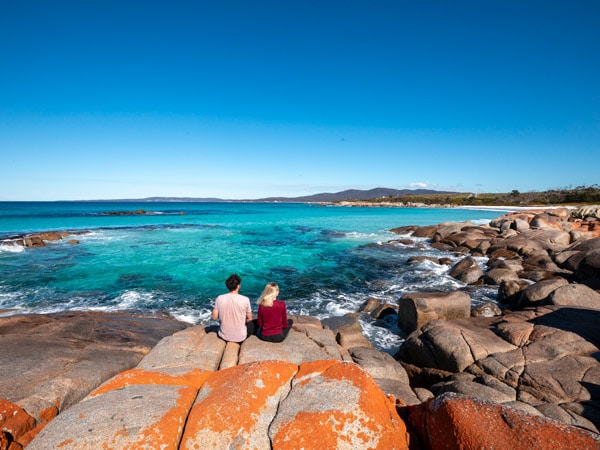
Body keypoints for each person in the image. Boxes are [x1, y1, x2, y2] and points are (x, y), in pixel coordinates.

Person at [211, 273, 255, 343]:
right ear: (238, 286)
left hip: (223, 336)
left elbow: (214, 317)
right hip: (240, 337)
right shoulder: (245, 299)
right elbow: (249, 318)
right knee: (253, 323)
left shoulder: (220, 298)